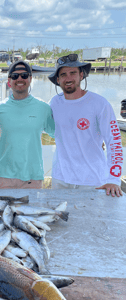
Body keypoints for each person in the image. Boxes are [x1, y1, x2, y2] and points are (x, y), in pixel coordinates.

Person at [48, 53, 123, 197]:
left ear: (81, 75)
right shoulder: (53, 103)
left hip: (93, 180)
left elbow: (114, 142)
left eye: (73, 73)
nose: (68, 78)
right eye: (63, 74)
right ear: (58, 80)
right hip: (60, 179)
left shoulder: (100, 104)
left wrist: (114, 179)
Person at [0, 60, 55, 189]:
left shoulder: (43, 108)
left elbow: (58, 134)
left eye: (24, 75)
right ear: (9, 81)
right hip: (4, 177)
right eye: (15, 76)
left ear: (30, 79)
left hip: (33, 177)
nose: (19, 79)